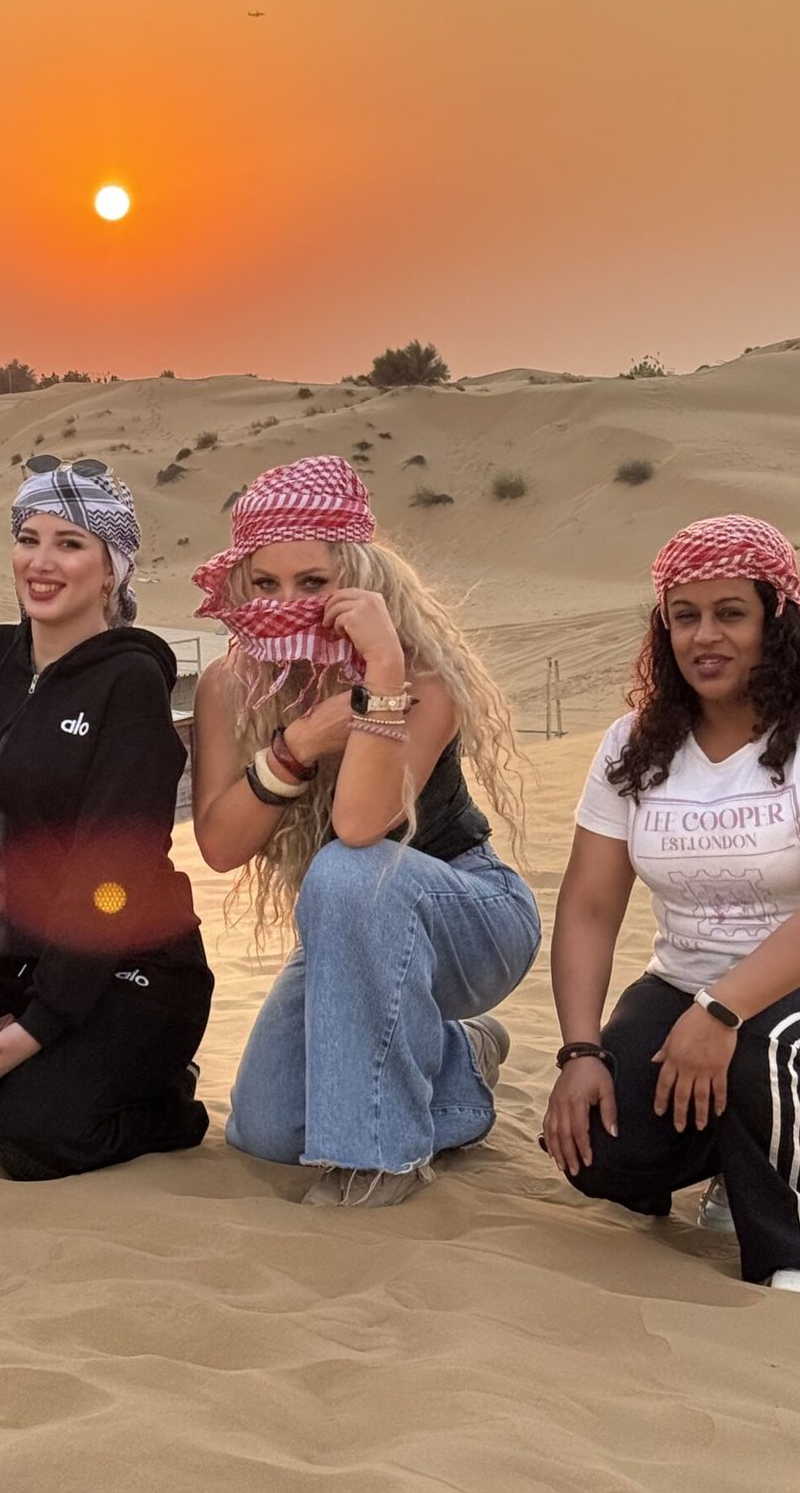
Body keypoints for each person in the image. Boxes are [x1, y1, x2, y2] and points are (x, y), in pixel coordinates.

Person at [542, 515, 800, 1294]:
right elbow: (588, 905)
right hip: (687, 989)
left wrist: (720, 1008)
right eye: (685, 615)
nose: (705, 636)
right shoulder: (633, 743)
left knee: (756, 1045)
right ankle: (741, 1148)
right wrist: (580, 1052)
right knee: (603, 1153)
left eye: (730, 613)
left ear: (777, 619)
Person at [190, 457, 539, 1207]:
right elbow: (220, 843)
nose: (290, 603)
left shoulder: (423, 673)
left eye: (313, 582)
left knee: (347, 869)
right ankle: (459, 1059)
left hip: (466, 914)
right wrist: (297, 745)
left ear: (354, 574)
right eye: (266, 583)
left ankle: (381, 1156)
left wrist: (381, 672)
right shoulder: (229, 682)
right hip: (345, 933)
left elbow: (357, 826)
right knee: (268, 1130)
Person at [0, 457, 213, 1180]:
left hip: (128, 970)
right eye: (28, 537)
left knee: (37, 1138)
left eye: (70, 543)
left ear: (110, 567)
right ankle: (40, 1069)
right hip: (3, 968)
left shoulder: (130, 682)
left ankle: (169, 1102)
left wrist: (41, 1023)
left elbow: (114, 880)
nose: (42, 561)